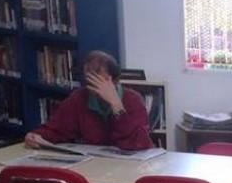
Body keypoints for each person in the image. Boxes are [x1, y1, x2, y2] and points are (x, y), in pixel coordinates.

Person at [25, 50, 153, 150]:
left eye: (99, 80)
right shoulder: (79, 98)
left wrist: (116, 105)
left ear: (114, 81)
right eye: (89, 80)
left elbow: (138, 144)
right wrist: (35, 136)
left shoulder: (133, 100)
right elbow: (56, 130)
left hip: (129, 168)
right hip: (94, 167)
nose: (94, 87)